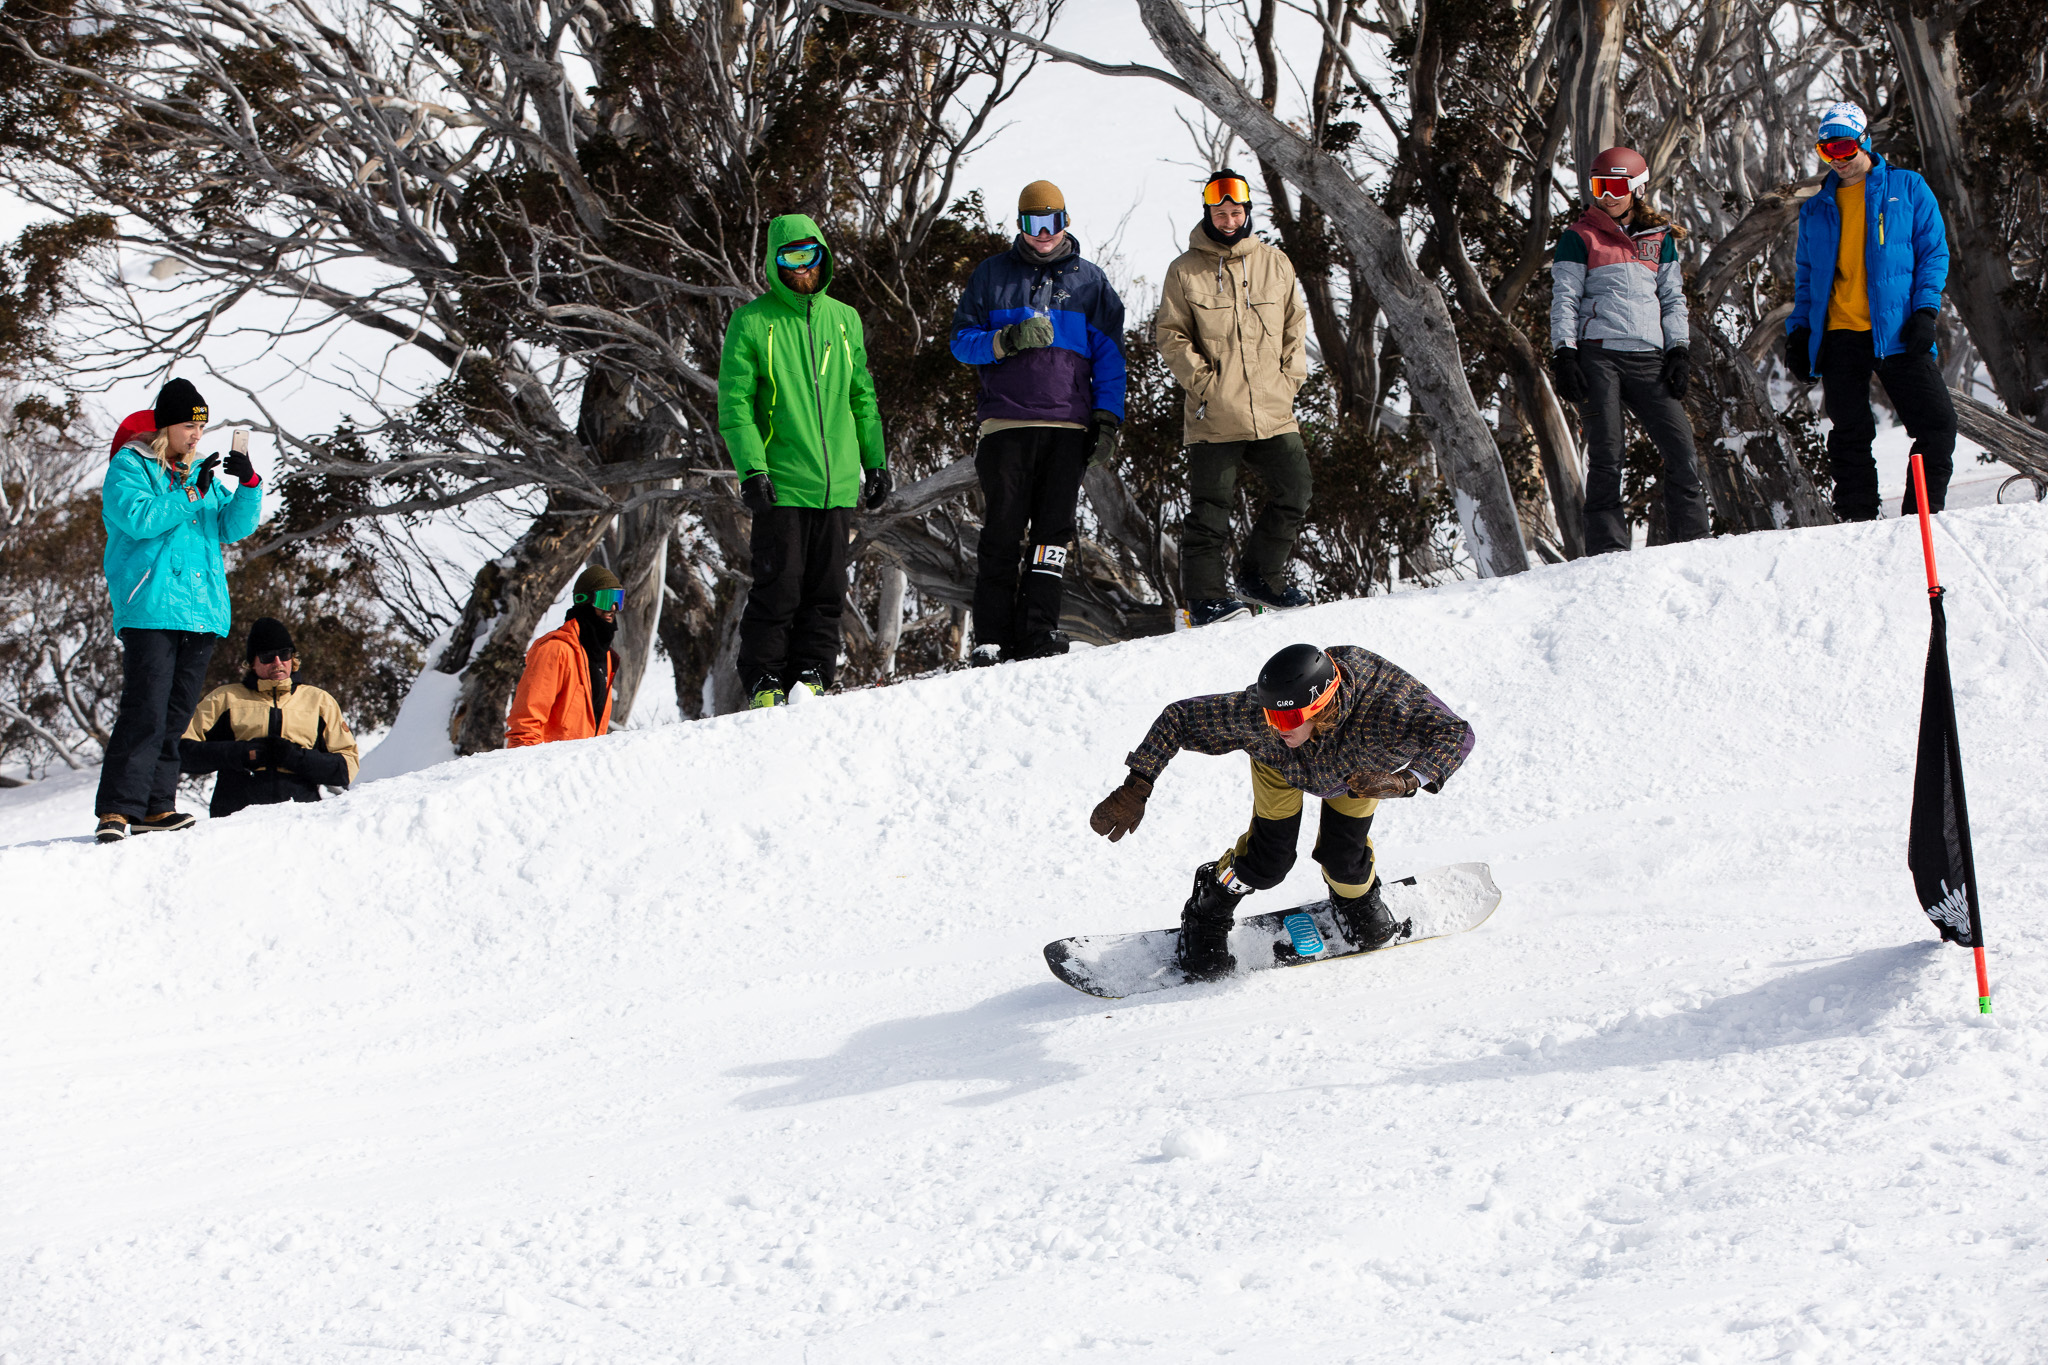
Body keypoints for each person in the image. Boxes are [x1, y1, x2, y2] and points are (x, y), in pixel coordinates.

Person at [1088, 643, 1475, 980]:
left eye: (1287, 718)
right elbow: (1178, 718)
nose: (1275, 725)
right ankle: (1209, 903)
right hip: (1281, 769)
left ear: (1322, 706)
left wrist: (1406, 781)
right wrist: (1137, 785)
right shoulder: (1258, 714)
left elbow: (1456, 733)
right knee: (1266, 863)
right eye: (1271, 715)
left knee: (1346, 861)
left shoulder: (1388, 703)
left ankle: (1355, 899)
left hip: (1360, 776)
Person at [950, 180, 1127, 665]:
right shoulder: (991, 275)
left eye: (1051, 223)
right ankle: (990, 637)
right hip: (1006, 423)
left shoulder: (1091, 283)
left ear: (1065, 221)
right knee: (1003, 530)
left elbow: (1111, 359)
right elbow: (961, 340)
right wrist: (1007, 339)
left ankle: (1039, 631)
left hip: (1067, 427)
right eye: (1033, 224)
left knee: (1053, 533)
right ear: (1021, 225)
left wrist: (1107, 419)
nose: (1043, 234)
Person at [717, 214, 888, 709]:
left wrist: (875, 462)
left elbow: (862, 396)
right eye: (790, 256)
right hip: (782, 481)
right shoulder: (752, 321)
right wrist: (752, 468)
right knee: (780, 585)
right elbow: (735, 404)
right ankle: (764, 681)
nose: (802, 266)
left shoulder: (845, 318)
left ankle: (812, 674)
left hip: (835, 483)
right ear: (774, 261)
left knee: (828, 589)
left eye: (810, 254)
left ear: (823, 256)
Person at [93, 379, 264, 843]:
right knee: (144, 709)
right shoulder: (130, 465)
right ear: (164, 425)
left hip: (201, 611)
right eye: (189, 425)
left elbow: (233, 526)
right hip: (150, 607)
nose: (196, 434)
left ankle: (157, 806)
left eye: (202, 426)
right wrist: (190, 493)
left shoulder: (198, 473)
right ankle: (117, 809)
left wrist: (247, 483)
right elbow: (139, 519)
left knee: (176, 715)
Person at [1783, 101, 1956, 521]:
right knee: (1850, 434)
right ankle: (1857, 523)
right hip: (1841, 333)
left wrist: (1925, 312)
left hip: (1898, 331)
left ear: (1864, 142)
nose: (1837, 160)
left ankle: (1920, 520)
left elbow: (1933, 254)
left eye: (1844, 148)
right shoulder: (1817, 208)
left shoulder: (1908, 187)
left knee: (1937, 428)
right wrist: (1800, 331)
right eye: (1827, 152)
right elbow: (1807, 276)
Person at [1155, 169, 1313, 624]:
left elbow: (1294, 327)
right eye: (1220, 212)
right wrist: (1206, 386)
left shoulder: (1275, 263)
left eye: (1235, 211)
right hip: (1214, 414)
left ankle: (1263, 578)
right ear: (1208, 212)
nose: (1228, 219)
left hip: (1273, 409)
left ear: (1247, 211)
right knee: (1210, 509)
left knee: (1295, 489)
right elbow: (1171, 335)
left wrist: (1290, 381)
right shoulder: (1185, 270)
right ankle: (1205, 599)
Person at [1549, 146, 1711, 555]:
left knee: (1681, 447)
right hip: (1598, 355)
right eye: (1600, 185)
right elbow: (1565, 299)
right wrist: (1564, 353)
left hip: (1648, 358)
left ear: (1637, 187)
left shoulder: (1659, 239)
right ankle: (1608, 551)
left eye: (1616, 185)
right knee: (1607, 452)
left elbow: (1673, 299)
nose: (1607, 194)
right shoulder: (1578, 237)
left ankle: (1693, 544)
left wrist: (1678, 351)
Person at [179, 617, 360, 817]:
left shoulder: (319, 701)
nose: (277, 663)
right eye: (267, 656)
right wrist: (241, 753)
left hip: (301, 820)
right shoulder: (224, 698)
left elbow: (346, 768)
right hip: (234, 821)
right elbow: (182, 751)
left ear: (293, 658)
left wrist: (294, 757)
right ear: (252, 663)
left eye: (284, 654)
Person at [505, 564, 622, 747]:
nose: (613, 607)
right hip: (548, 767)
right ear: (584, 600)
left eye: (618, 599)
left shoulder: (606, 657)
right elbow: (525, 724)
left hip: (578, 768)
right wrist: (531, 772)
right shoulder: (555, 650)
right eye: (606, 599)